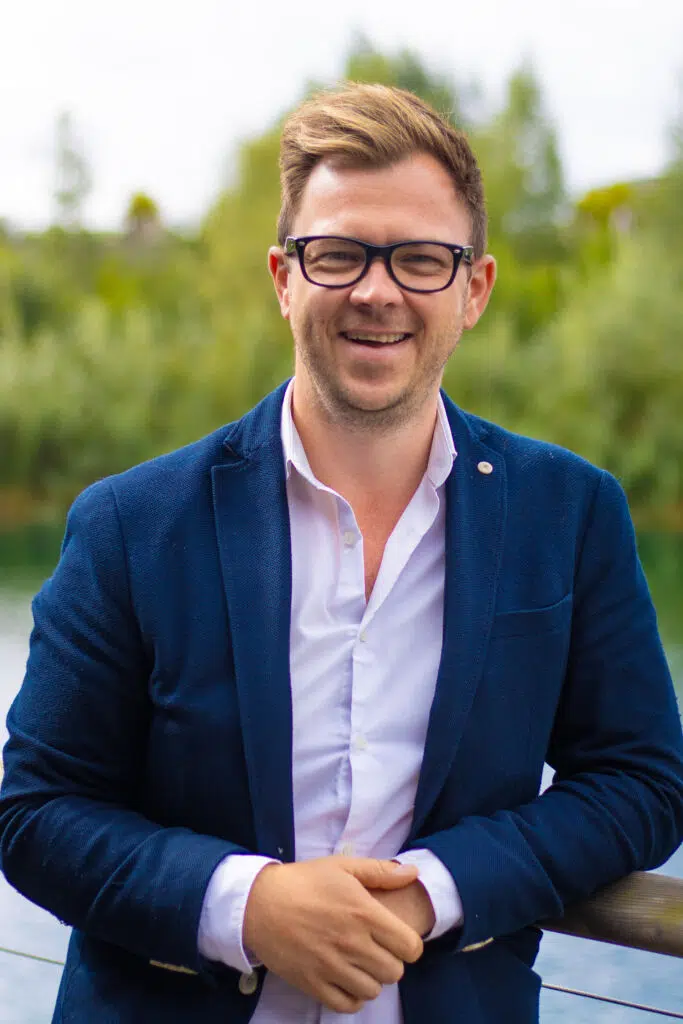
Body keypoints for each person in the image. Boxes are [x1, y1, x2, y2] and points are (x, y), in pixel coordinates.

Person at [1, 83, 682, 1024]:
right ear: (284, 278)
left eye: (421, 259)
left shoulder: (569, 513)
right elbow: (37, 811)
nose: (376, 290)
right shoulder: (130, 522)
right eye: (337, 254)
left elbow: (641, 784)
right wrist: (246, 905)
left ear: (474, 290)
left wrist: (438, 888)